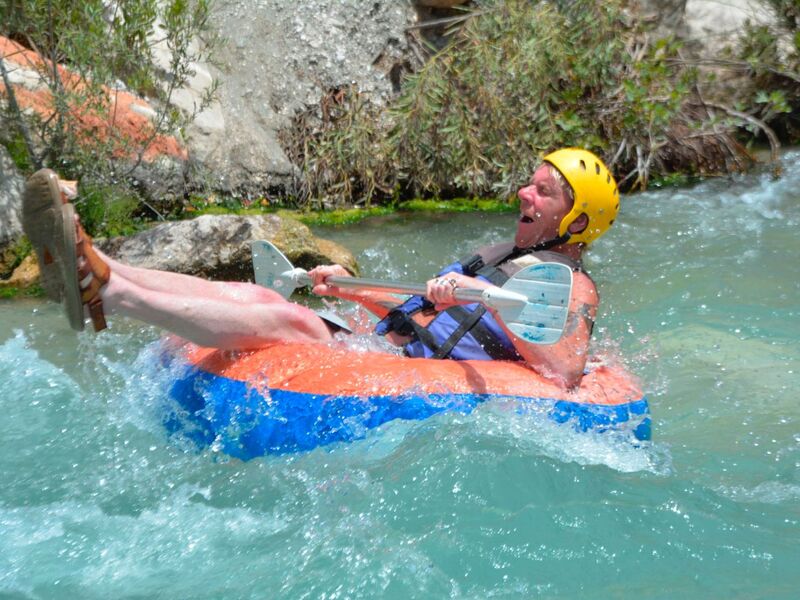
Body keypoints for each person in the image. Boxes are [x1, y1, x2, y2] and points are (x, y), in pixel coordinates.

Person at [22, 148, 618, 388]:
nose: (523, 193)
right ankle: (101, 267)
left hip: (409, 373)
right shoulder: (500, 259)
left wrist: (481, 299)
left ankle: (108, 293)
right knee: (248, 294)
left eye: (544, 192)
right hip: (395, 348)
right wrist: (356, 295)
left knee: (292, 323)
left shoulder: (573, 286)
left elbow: (562, 368)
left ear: (576, 222)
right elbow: (422, 318)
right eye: (530, 183)